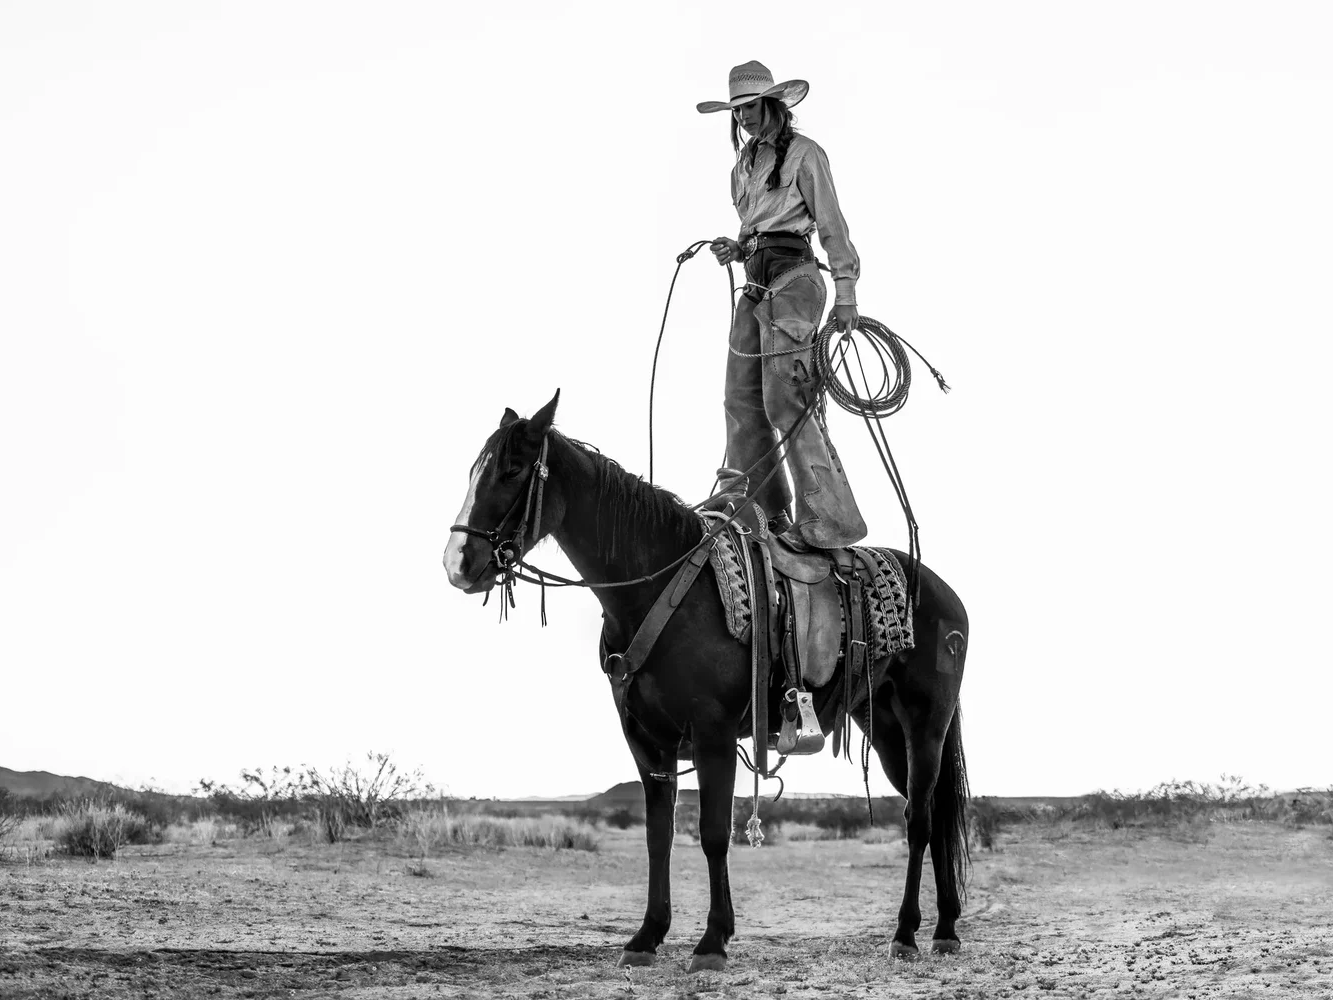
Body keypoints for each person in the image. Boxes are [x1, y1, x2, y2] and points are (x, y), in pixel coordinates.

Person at [697, 61, 867, 549]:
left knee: (783, 398)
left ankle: (829, 515)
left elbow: (832, 225)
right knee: (739, 398)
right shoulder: (742, 169)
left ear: (771, 104)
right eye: (737, 110)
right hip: (756, 282)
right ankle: (753, 508)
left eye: (750, 107)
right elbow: (756, 229)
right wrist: (737, 246)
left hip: (794, 279)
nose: (744, 117)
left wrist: (846, 291)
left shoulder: (807, 155)